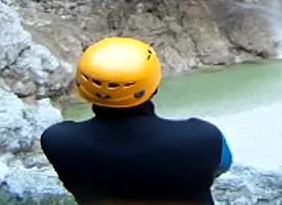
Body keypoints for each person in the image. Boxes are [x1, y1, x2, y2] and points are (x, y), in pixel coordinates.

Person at [40, 36, 233, 204]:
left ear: (81, 87)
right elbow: (222, 164)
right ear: (154, 86)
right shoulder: (202, 138)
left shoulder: (58, 141)